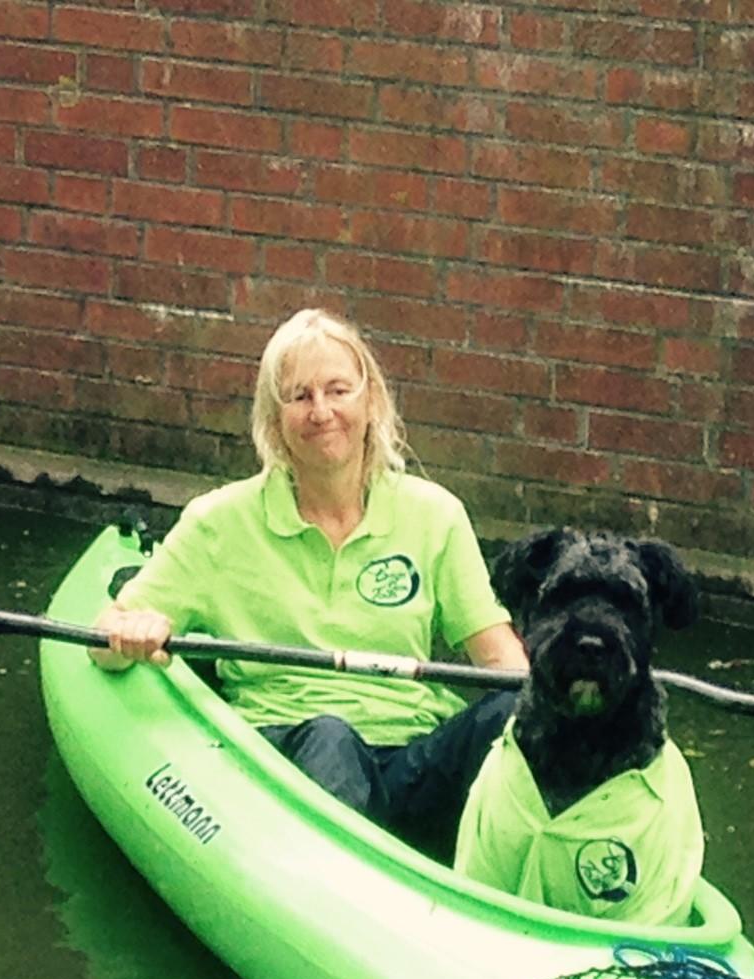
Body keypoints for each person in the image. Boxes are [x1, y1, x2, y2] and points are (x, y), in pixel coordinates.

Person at [91, 308, 527, 850]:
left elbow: (502, 663)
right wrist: (131, 634)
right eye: (299, 397)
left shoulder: (436, 515)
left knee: (516, 712)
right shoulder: (218, 522)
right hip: (288, 751)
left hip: (411, 752)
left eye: (338, 390)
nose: (321, 411)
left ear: (371, 402)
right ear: (274, 421)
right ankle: (351, 889)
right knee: (331, 737)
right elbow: (103, 635)